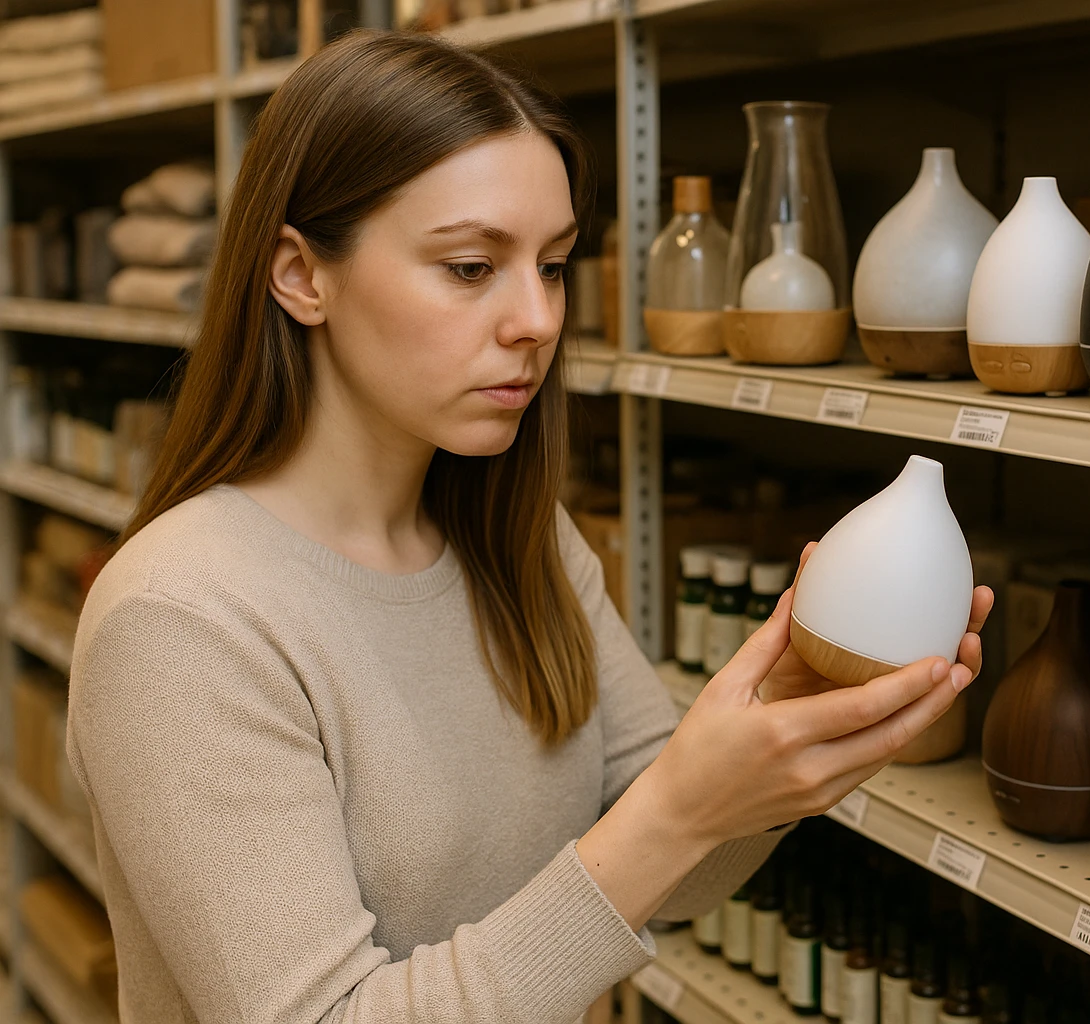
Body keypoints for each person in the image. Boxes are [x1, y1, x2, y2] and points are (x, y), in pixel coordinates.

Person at [64, 30, 992, 1024]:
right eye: (471, 266)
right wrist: (676, 808)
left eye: (550, 265)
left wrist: (786, 734)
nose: (537, 319)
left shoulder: (525, 542)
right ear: (300, 275)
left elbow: (671, 875)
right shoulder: (183, 620)